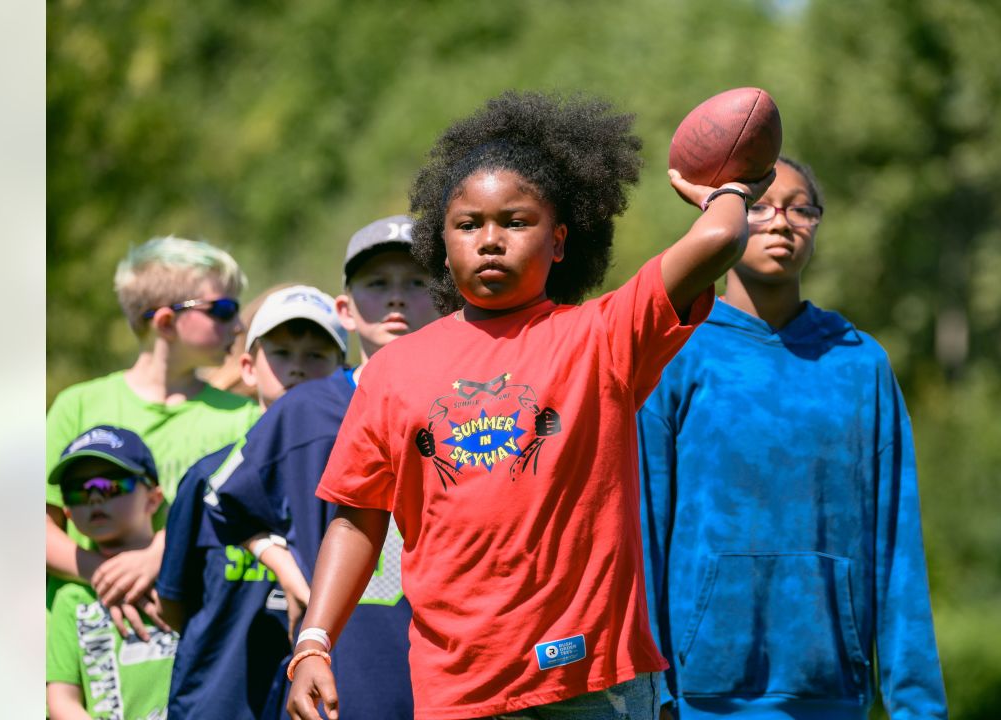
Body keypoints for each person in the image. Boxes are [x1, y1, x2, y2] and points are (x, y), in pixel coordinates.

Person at [286, 91, 775, 720]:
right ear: (441, 241)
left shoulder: (601, 337)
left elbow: (717, 240)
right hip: (456, 688)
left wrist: (724, 189)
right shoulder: (392, 372)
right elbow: (357, 521)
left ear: (561, 240)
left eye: (516, 222)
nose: (490, 241)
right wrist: (313, 643)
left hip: (591, 683)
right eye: (469, 225)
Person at [637, 158, 948, 719]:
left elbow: (897, 549)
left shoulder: (861, 364)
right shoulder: (676, 351)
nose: (781, 222)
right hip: (697, 695)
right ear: (727, 219)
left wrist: (917, 707)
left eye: (800, 208)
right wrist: (652, 691)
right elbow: (641, 531)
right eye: (759, 206)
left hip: (829, 689)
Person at [211, 215, 436, 720]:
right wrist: (288, 570)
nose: (397, 299)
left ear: (448, 296)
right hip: (343, 667)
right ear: (346, 308)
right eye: (378, 283)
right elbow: (222, 501)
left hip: (451, 665)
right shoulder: (307, 408)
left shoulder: (474, 405)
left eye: (417, 282)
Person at [45, 236, 260, 638]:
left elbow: (244, 521)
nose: (240, 324)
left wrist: (158, 555)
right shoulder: (76, 406)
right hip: (81, 649)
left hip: (194, 641)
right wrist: (106, 573)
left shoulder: (243, 418)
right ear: (165, 322)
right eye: (224, 309)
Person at [157, 284, 349, 720]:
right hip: (215, 703)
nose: (298, 370)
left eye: (316, 357)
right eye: (281, 354)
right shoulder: (206, 477)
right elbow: (173, 601)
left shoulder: (353, 486)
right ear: (247, 366)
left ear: (342, 370)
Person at [46, 425, 179, 720]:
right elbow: (61, 701)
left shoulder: (186, 579)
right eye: (78, 491)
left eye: (111, 485)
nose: (94, 497)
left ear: (154, 498)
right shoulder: (70, 598)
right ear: (67, 511)